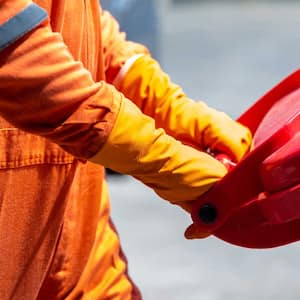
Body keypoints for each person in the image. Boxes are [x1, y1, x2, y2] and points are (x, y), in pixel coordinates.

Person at [0, 1, 252, 299]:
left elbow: (72, 18)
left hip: (80, 227)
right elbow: (17, 54)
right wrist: (158, 156)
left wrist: (164, 102)